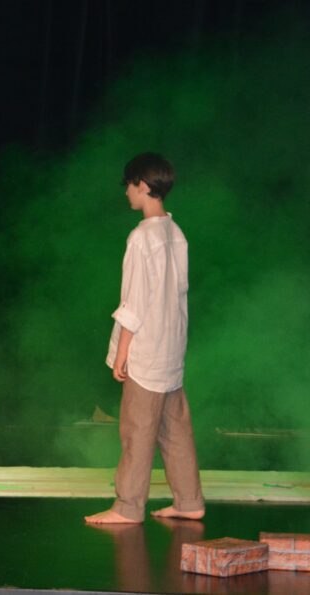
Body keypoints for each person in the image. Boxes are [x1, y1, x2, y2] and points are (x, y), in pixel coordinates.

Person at [85, 153, 205, 524]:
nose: (126, 192)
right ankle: (189, 501)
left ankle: (128, 506)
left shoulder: (142, 237)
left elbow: (134, 302)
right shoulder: (175, 232)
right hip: (171, 348)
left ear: (142, 185)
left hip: (148, 349)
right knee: (175, 429)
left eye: (129, 185)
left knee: (137, 430)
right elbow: (178, 293)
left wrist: (122, 352)